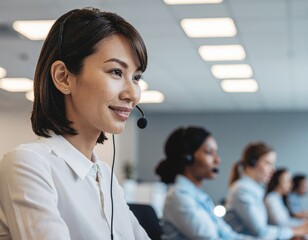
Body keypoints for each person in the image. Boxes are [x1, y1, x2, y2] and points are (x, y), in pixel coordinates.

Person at [0, 8, 150, 240]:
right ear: (63, 77)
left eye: (136, 77)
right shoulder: (29, 164)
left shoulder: (104, 175)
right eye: (116, 72)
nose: (132, 93)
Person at [155, 126, 256, 240]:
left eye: (216, 153)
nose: (217, 160)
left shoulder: (199, 196)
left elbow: (229, 235)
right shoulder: (178, 197)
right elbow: (210, 238)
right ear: (188, 158)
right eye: (209, 152)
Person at [225, 142, 308, 239]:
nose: (273, 169)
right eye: (268, 163)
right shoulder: (242, 190)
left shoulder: (253, 190)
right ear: (253, 162)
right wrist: (295, 231)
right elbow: (261, 232)